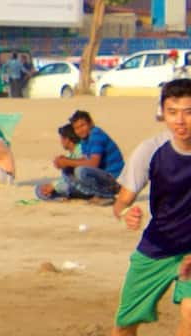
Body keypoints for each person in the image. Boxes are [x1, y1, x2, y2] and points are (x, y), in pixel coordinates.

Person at [110, 79, 191, 335]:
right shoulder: (150, 151)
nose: (180, 121)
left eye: (189, 112)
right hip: (158, 246)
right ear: (162, 114)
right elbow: (121, 202)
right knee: (125, 326)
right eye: (172, 112)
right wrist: (126, 214)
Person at [50, 111, 126, 201]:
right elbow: (85, 160)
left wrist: (67, 161)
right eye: (77, 128)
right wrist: (64, 161)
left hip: (115, 178)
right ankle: (92, 194)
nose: (81, 130)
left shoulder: (96, 134)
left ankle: (105, 195)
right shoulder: (84, 140)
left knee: (80, 171)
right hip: (103, 177)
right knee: (68, 170)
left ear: (91, 123)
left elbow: (93, 164)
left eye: (83, 125)